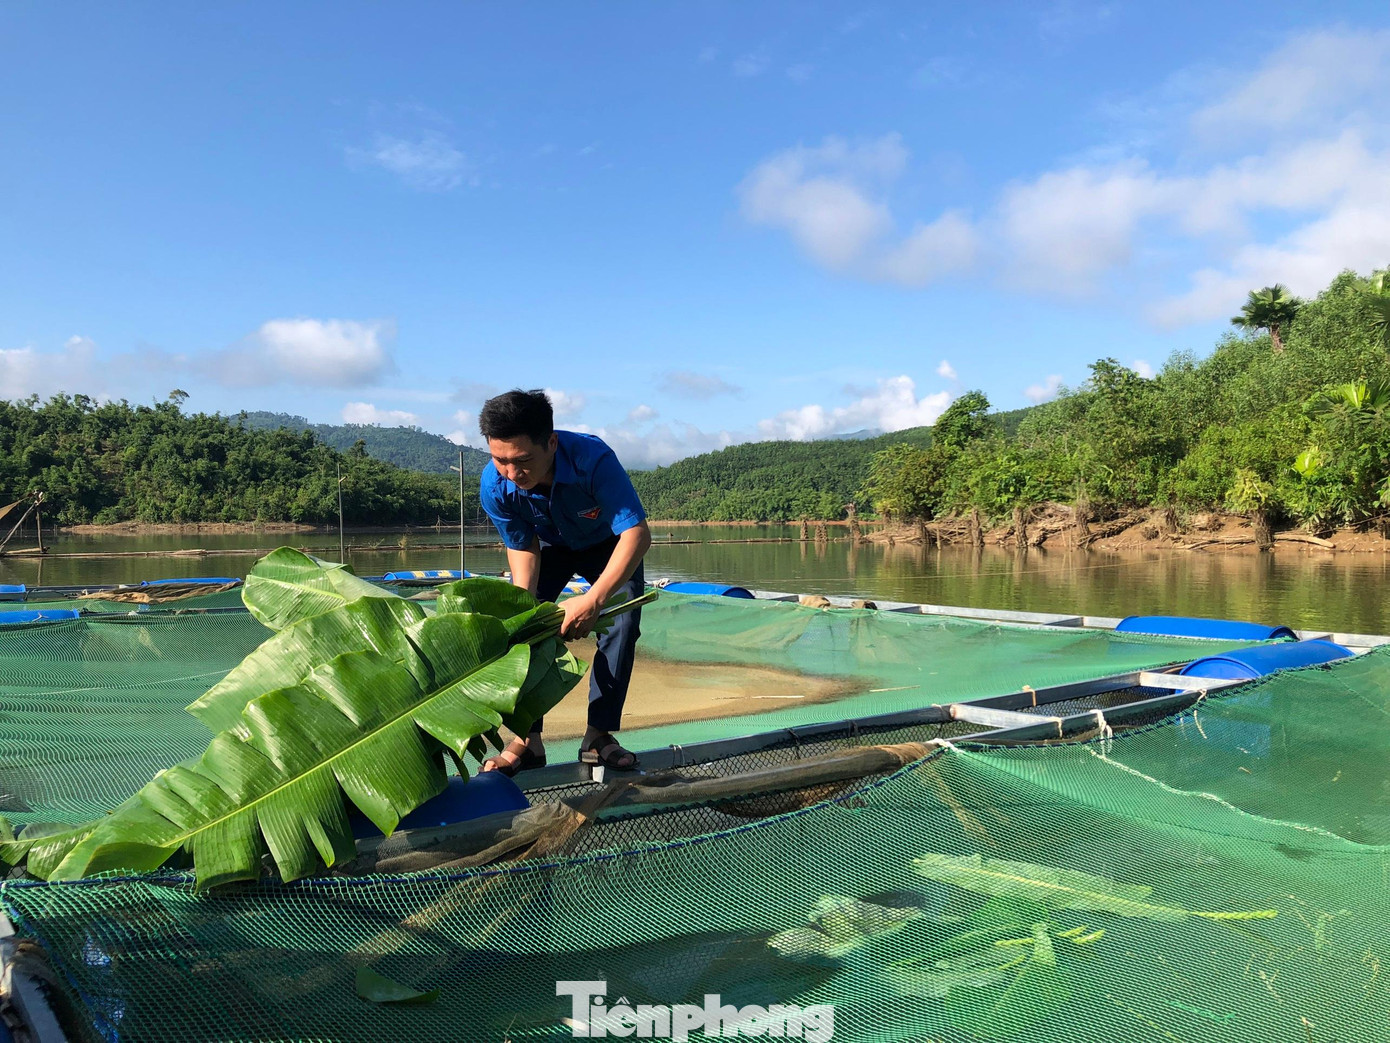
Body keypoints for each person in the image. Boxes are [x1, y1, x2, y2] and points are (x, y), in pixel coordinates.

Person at [475, 389, 652, 775]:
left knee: (622, 621)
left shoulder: (593, 460)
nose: (511, 472)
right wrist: (525, 610)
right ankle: (526, 740)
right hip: (550, 546)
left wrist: (594, 599)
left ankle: (598, 736)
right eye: (499, 459)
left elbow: (636, 534)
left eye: (522, 461)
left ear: (551, 443)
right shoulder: (494, 485)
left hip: (607, 543)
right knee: (523, 628)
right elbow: (523, 547)